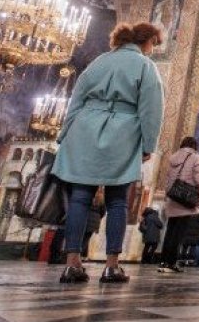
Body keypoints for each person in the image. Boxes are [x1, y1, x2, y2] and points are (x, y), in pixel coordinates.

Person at [53, 22, 164, 284]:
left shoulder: (99, 61)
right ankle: (112, 266)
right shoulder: (146, 66)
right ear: (146, 41)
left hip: (84, 129)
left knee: (80, 198)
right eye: (153, 44)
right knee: (117, 201)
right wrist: (148, 145)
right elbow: (152, 110)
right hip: (122, 132)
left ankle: (71, 264)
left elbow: (76, 100)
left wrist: (64, 134)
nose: (153, 49)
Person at [159, 136, 199, 274]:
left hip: (173, 197)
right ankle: (171, 263)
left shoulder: (173, 157)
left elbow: (168, 178)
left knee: (170, 232)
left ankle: (163, 262)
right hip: (185, 199)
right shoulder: (195, 158)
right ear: (194, 146)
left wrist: (168, 195)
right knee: (179, 234)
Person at [82, 194, 105, 260]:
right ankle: (83, 255)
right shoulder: (102, 198)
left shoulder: (87, 195)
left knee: (81, 238)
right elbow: (103, 211)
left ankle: (79, 255)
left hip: (85, 218)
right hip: (95, 221)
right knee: (86, 239)